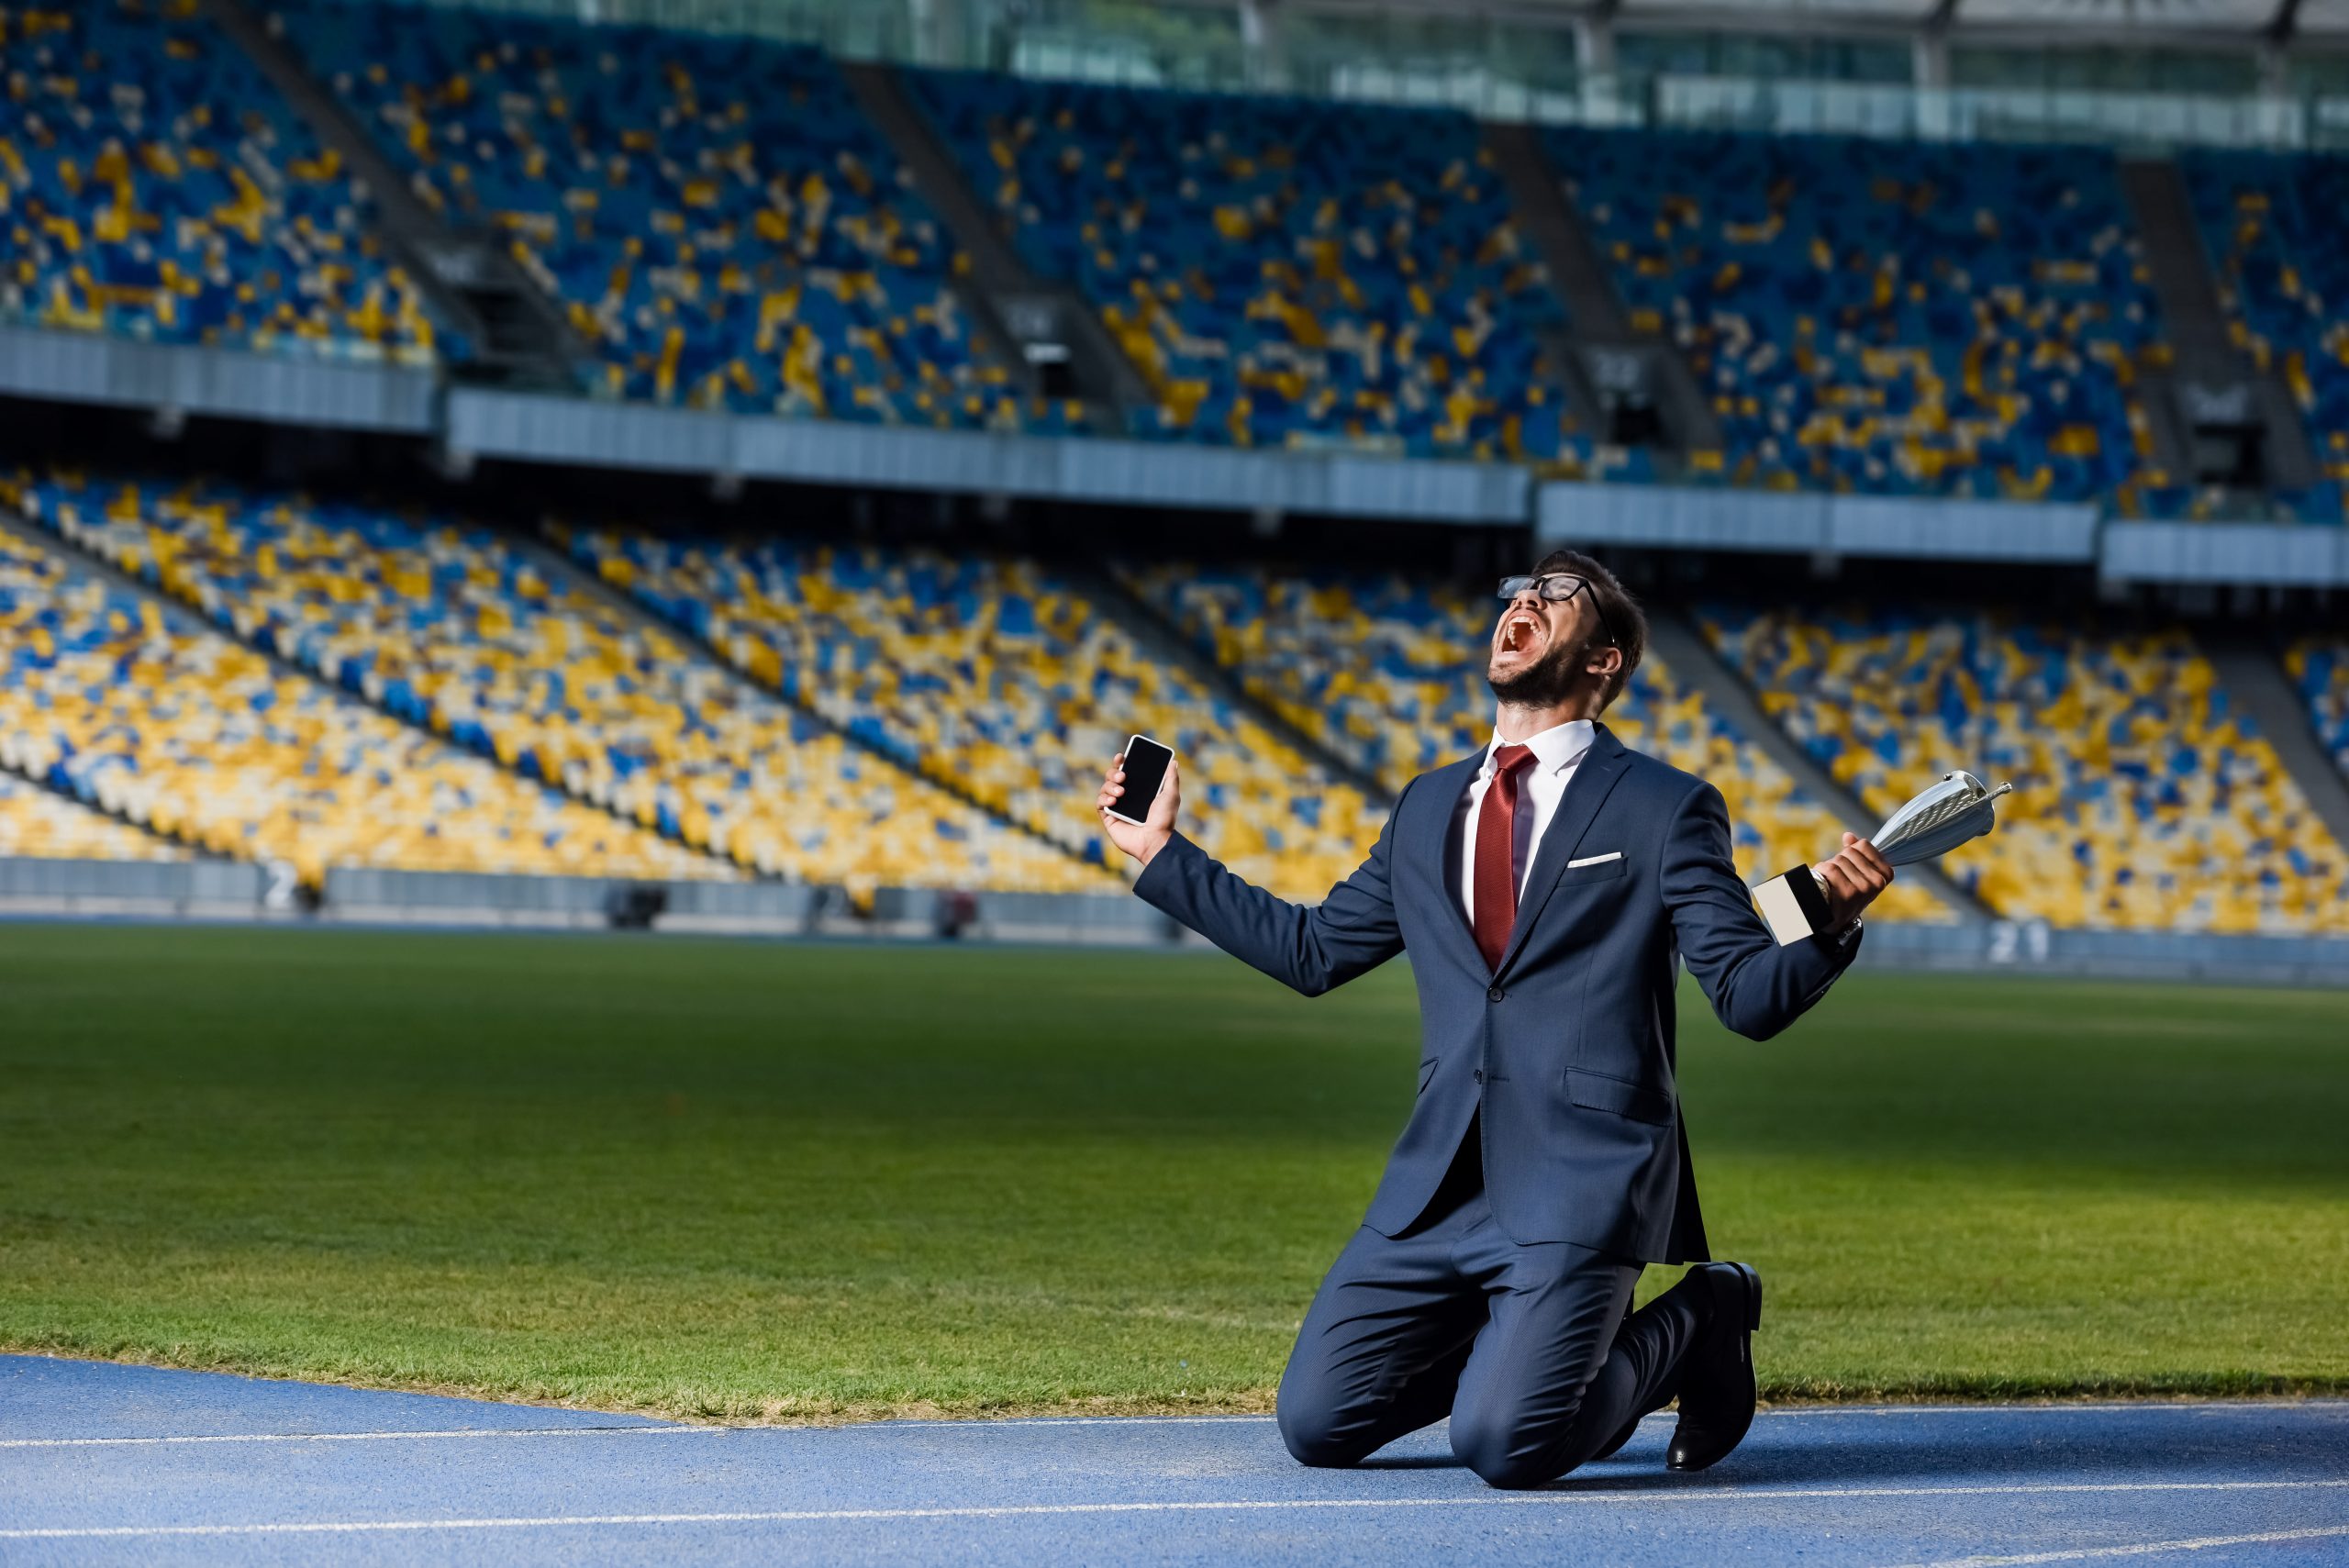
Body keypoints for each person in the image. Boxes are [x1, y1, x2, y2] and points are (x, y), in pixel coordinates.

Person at [1093, 549, 1893, 1489]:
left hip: (1581, 1180)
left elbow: (1745, 996)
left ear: (1603, 661)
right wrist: (1160, 855)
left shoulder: (1665, 806)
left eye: (1557, 600)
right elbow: (1313, 952)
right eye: (1520, 593)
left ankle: (1708, 1311)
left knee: (1506, 1444)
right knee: (1318, 1421)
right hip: (1438, 1184)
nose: (1524, 604)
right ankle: (1519, 1349)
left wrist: (1826, 928)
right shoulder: (1429, 803)